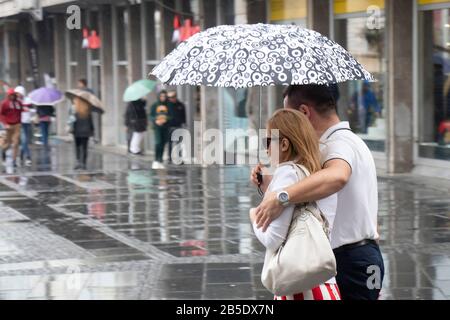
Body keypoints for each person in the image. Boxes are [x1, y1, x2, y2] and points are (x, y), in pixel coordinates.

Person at [251, 84, 384, 300]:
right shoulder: (353, 141)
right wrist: (270, 188)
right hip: (364, 255)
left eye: (292, 116)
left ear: (304, 112)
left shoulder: (336, 144)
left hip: (349, 260)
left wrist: (282, 196)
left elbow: (337, 176)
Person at [250, 108, 341, 300]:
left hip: (300, 290)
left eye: (268, 141)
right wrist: (269, 187)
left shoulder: (287, 173)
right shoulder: (314, 173)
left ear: (283, 144)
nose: (266, 149)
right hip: (324, 286)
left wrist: (253, 216)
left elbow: (273, 239)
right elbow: (292, 215)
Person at [0, 88, 23, 167]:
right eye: (11, 95)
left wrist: (20, 122)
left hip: (17, 125)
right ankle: (3, 151)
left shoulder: (19, 103)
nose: (12, 97)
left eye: (13, 95)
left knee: (16, 143)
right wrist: (5, 124)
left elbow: (20, 112)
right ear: (8, 95)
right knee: (8, 143)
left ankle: (14, 160)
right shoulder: (5, 103)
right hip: (9, 125)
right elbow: (1, 115)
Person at [71, 97, 94, 170]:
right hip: (85, 132)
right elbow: (91, 123)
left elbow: (72, 122)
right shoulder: (87, 112)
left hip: (77, 132)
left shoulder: (75, 112)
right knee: (85, 148)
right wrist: (92, 131)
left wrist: (72, 130)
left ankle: (78, 162)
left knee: (77, 147)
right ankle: (84, 163)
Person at [150, 90, 170, 169]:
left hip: (165, 127)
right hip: (157, 127)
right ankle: (156, 160)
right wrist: (156, 120)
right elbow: (151, 116)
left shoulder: (168, 105)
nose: (163, 98)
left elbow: (171, 115)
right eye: (161, 96)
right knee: (158, 142)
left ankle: (160, 160)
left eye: (164, 96)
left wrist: (166, 119)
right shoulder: (155, 105)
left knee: (163, 143)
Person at [15, 86, 34, 166]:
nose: (18, 95)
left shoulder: (28, 100)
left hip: (28, 122)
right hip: (20, 123)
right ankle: (28, 157)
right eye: (17, 93)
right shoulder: (15, 102)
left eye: (19, 93)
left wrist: (28, 110)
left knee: (25, 140)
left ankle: (22, 155)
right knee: (24, 140)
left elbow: (33, 110)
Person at [167, 90, 186, 163]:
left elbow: (183, 116)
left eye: (172, 97)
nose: (171, 99)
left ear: (175, 96)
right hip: (170, 126)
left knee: (179, 143)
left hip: (178, 126)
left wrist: (183, 123)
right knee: (170, 143)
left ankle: (179, 158)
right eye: (169, 97)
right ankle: (170, 158)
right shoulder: (167, 105)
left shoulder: (180, 105)